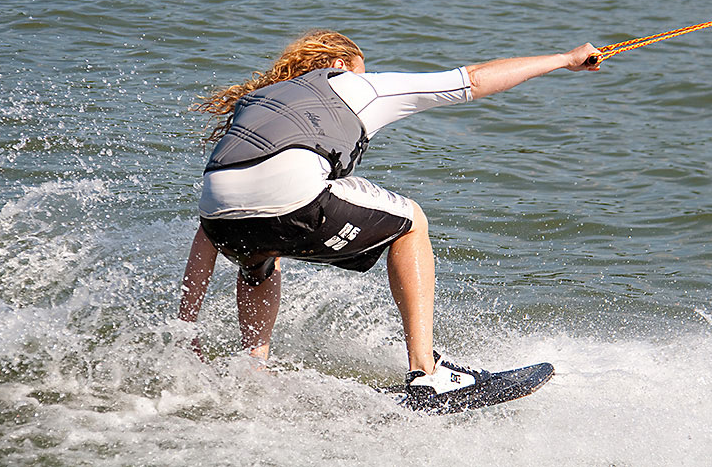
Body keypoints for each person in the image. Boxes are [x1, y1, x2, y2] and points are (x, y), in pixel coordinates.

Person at [178, 30, 599, 398]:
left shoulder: (258, 100)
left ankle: (253, 372)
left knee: (258, 259)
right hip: (293, 202)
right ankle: (425, 372)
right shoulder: (354, 85)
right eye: (363, 68)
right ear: (340, 64)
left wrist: (186, 328)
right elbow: (471, 80)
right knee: (411, 221)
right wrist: (565, 59)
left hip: (222, 221)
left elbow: (211, 226)